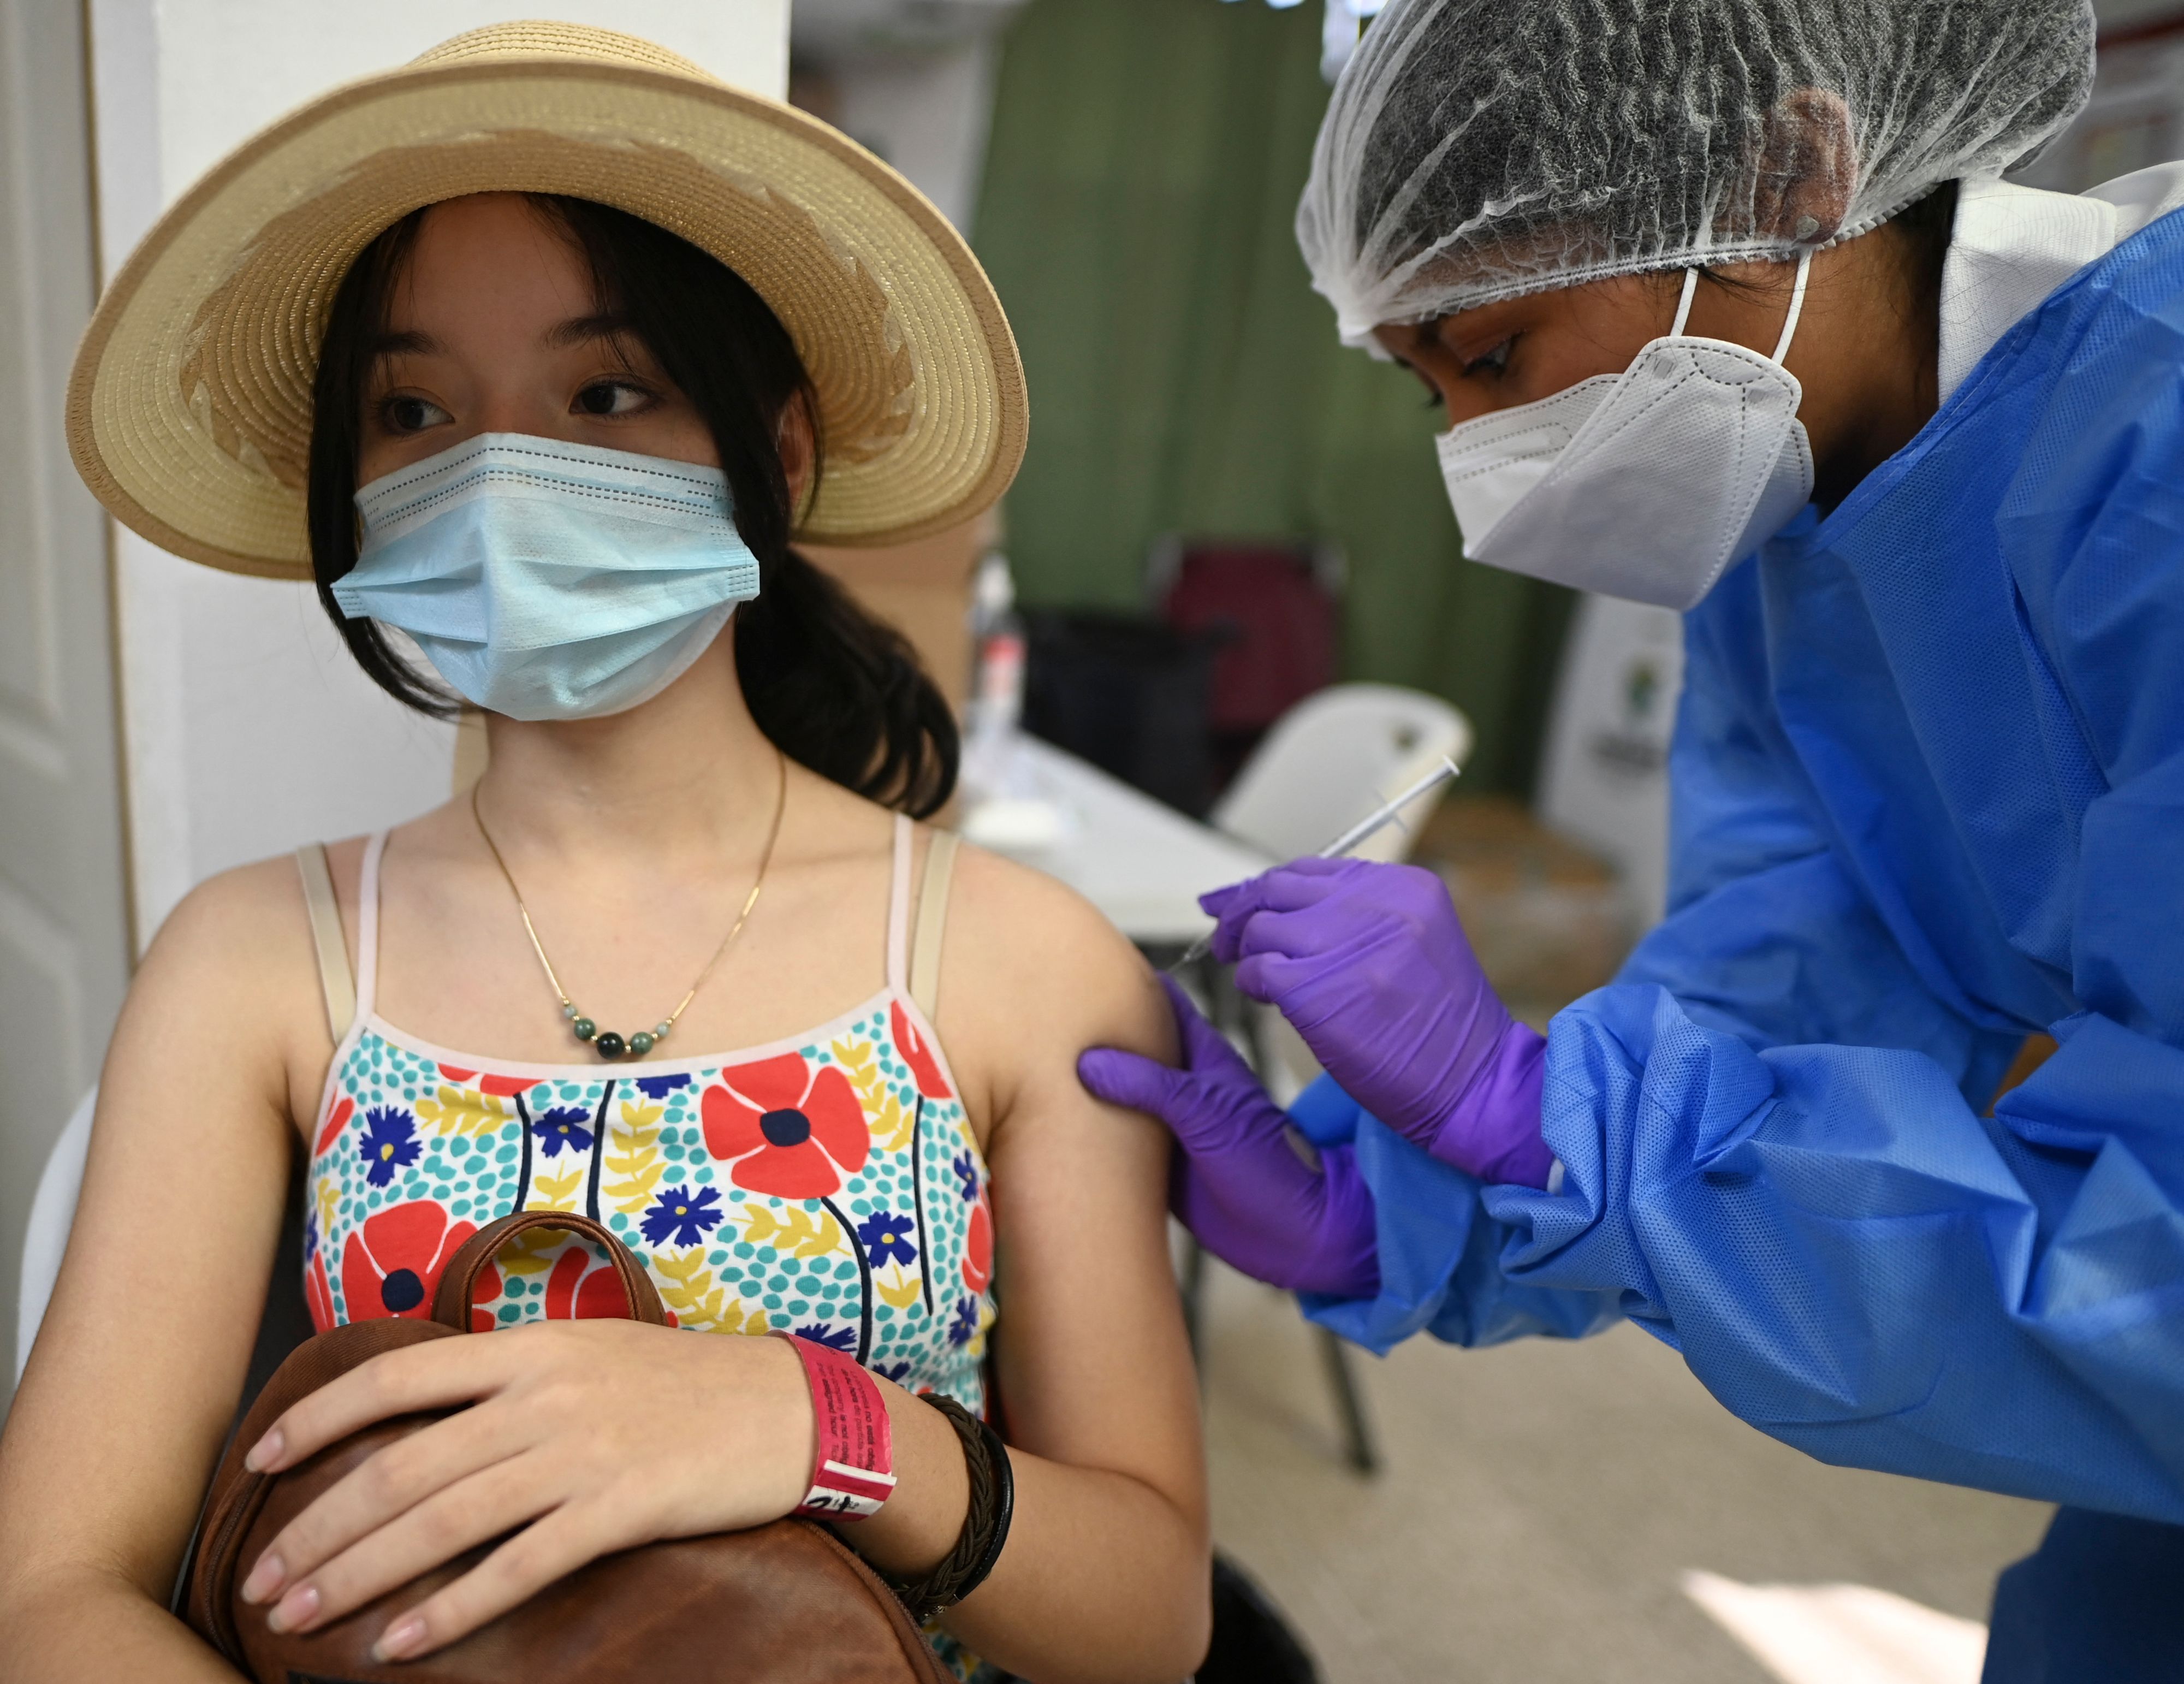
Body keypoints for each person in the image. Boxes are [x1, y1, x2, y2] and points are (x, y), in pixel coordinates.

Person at [0, 26, 1208, 1684]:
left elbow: (1151, 1619)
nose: (498, 474)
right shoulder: (257, 960)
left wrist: (819, 1423)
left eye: (606, 392)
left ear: (776, 453)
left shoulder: (1019, 962)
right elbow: (48, 1592)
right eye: (413, 409)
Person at [1078, 2, 2184, 1676]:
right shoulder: (1798, 537)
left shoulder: (2155, 460)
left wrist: (1536, 1112)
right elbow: (1780, 999)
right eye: (1427, 389)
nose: (1476, 457)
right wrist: (1417, 1199)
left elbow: (2152, 1275)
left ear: (1790, 173)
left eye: (1496, 353)